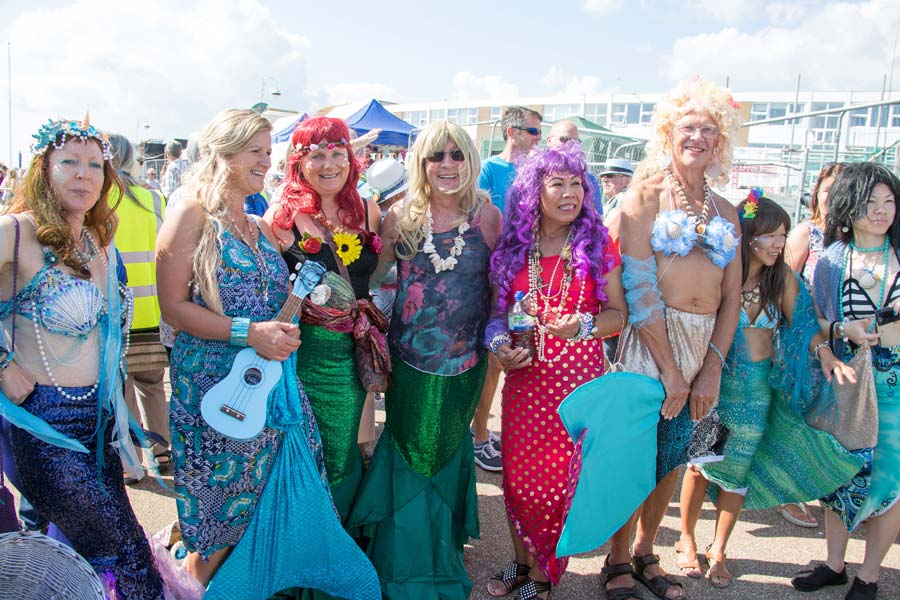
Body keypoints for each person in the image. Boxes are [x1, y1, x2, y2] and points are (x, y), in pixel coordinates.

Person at [157, 109, 378, 598]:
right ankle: (186, 585)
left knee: (261, 501)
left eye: (266, 150)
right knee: (219, 513)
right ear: (224, 153)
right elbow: (172, 308)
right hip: (214, 389)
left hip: (273, 389)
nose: (267, 160)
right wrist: (248, 332)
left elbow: (276, 305)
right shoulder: (191, 213)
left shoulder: (259, 224)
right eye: (256, 151)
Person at [0, 116, 165, 597]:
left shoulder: (99, 239)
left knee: (95, 553)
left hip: (99, 427)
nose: (83, 174)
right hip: (44, 428)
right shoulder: (17, 232)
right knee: (126, 552)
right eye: (68, 161)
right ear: (42, 169)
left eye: (95, 164)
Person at [676, 193, 863, 589]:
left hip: (759, 392)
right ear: (749, 236)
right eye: (772, 236)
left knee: (738, 472)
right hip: (718, 387)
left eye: (782, 235)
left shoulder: (785, 280)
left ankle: (720, 549)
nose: (781, 244)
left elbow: (805, 328)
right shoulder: (724, 271)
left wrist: (826, 354)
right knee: (701, 465)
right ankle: (687, 537)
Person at [348, 120, 502, 599]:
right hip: (409, 363)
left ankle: (442, 550)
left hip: (465, 364)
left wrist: (502, 339)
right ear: (422, 163)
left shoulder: (488, 218)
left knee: (449, 447)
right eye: (437, 156)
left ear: (471, 161)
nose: (448, 165)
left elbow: (499, 292)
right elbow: (369, 280)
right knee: (409, 449)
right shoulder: (399, 218)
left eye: (457, 155)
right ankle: (402, 557)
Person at [604, 79, 743, 600]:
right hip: (651, 342)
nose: (698, 136)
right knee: (633, 455)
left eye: (709, 129)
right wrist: (669, 371)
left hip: (704, 346)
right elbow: (639, 290)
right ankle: (616, 562)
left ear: (719, 141)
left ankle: (645, 553)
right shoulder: (642, 197)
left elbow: (732, 299)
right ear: (669, 132)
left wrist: (710, 367)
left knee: (673, 459)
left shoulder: (727, 211)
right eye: (688, 127)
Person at [484, 143, 627, 599]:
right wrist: (499, 344)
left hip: (577, 381)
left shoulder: (597, 242)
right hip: (524, 380)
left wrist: (581, 325)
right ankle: (521, 562)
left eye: (577, 185)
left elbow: (618, 315)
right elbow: (495, 317)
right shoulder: (512, 248)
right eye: (557, 184)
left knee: (556, 480)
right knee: (517, 475)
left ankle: (545, 575)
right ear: (533, 191)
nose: (570, 194)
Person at [265, 116, 384, 525]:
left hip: (358, 352)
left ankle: (344, 540)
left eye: (338, 153)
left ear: (351, 158)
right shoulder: (281, 217)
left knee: (351, 446)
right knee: (311, 448)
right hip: (307, 355)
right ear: (298, 162)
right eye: (317, 155)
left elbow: (377, 274)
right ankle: (311, 539)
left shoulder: (368, 211)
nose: (329, 163)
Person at [793, 162, 900, 600]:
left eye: (888, 201)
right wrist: (842, 331)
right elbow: (814, 324)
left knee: (890, 481)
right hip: (846, 381)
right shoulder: (832, 261)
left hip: (895, 384)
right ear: (848, 206)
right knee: (836, 474)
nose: (881, 211)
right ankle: (835, 564)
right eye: (870, 202)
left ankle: (870, 575)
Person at [472, 106, 542, 473]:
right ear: (512, 132)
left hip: (527, 276)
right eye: (532, 131)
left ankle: (495, 430)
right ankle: (480, 434)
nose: (538, 138)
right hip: (493, 277)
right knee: (493, 360)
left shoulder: (536, 171)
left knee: (521, 354)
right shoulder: (489, 170)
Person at [780, 161, 845, 528]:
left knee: (832, 419)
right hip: (802, 340)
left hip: (845, 345)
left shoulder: (853, 237)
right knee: (798, 416)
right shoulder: (809, 233)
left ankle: (835, 490)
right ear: (816, 193)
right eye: (827, 188)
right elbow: (782, 283)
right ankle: (790, 494)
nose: (833, 196)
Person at [107, 133, 170, 481]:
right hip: (153, 310)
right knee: (153, 385)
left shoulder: (100, 201)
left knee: (122, 389)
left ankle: (132, 461)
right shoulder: (153, 199)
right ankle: (162, 453)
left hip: (116, 312)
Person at [546, 119, 602, 214]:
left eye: (576, 141)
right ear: (549, 140)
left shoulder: (589, 180)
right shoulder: (534, 174)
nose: (571, 145)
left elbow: (598, 219)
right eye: (564, 139)